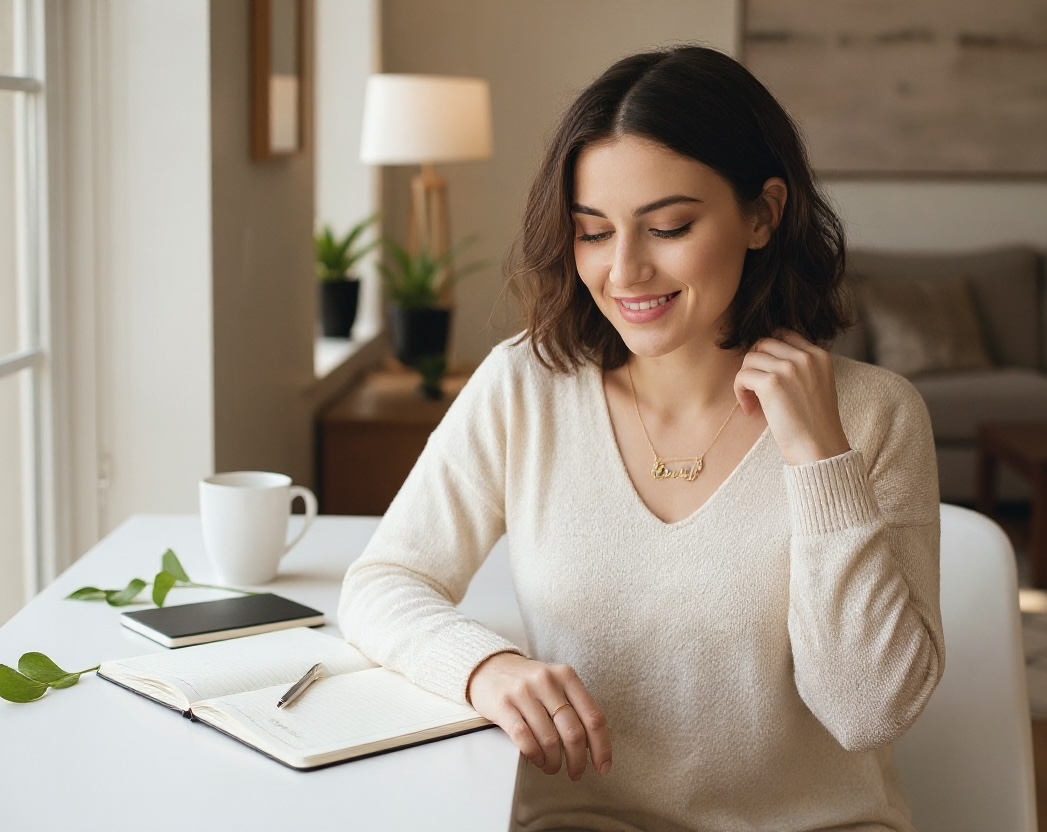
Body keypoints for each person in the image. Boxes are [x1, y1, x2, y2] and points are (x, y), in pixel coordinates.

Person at [339, 45, 944, 832]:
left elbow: (869, 710)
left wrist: (820, 459)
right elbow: (383, 582)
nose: (624, 271)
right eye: (593, 233)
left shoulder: (874, 416)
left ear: (763, 213)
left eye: (668, 227)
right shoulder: (526, 386)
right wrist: (485, 669)